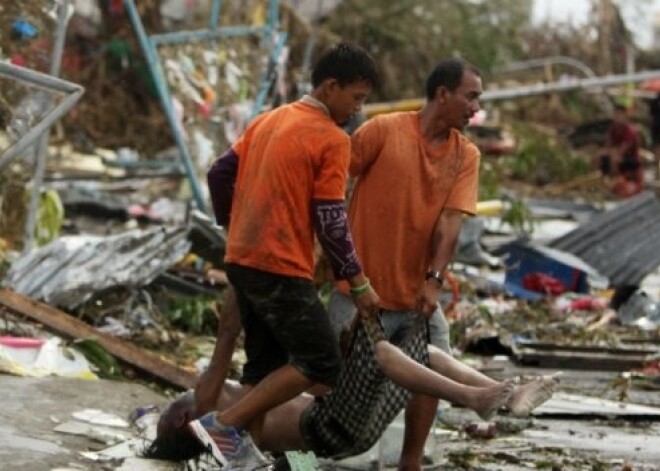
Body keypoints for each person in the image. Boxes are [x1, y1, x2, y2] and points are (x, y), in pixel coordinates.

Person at [189, 42, 381, 468]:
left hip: (243, 259)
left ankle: (244, 459)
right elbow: (331, 218)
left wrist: (233, 228)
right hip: (280, 265)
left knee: (262, 369)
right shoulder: (332, 138)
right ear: (330, 87)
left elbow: (219, 173)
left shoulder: (268, 119)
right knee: (321, 362)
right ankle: (226, 424)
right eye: (356, 98)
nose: (356, 111)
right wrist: (359, 282)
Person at [326, 57, 483, 470]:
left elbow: (450, 224)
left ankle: (409, 463)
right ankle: (303, 458)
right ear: (443, 93)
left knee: (429, 374)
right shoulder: (383, 131)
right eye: (471, 97)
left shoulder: (465, 155)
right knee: (326, 382)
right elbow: (333, 180)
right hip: (357, 292)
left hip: (417, 296)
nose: (475, 108)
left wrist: (434, 280)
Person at [146, 311, 559, 463]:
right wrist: (234, 309)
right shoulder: (211, 409)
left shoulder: (243, 425)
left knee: (419, 356)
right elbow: (225, 342)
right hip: (330, 426)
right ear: (184, 417)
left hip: (337, 437)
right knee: (397, 354)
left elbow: (299, 453)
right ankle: (480, 397)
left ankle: (500, 398)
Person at [598, 103, 643, 198]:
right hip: (617, 157)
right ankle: (603, 181)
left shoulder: (630, 130)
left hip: (630, 161)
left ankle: (615, 180)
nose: (617, 117)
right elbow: (607, 146)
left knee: (615, 157)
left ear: (625, 116)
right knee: (599, 157)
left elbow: (622, 149)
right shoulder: (613, 129)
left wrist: (611, 152)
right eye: (615, 114)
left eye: (619, 114)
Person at [648, 92, 660, 180]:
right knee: (657, 153)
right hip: (657, 129)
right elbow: (651, 115)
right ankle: (657, 174)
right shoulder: (656, 100)